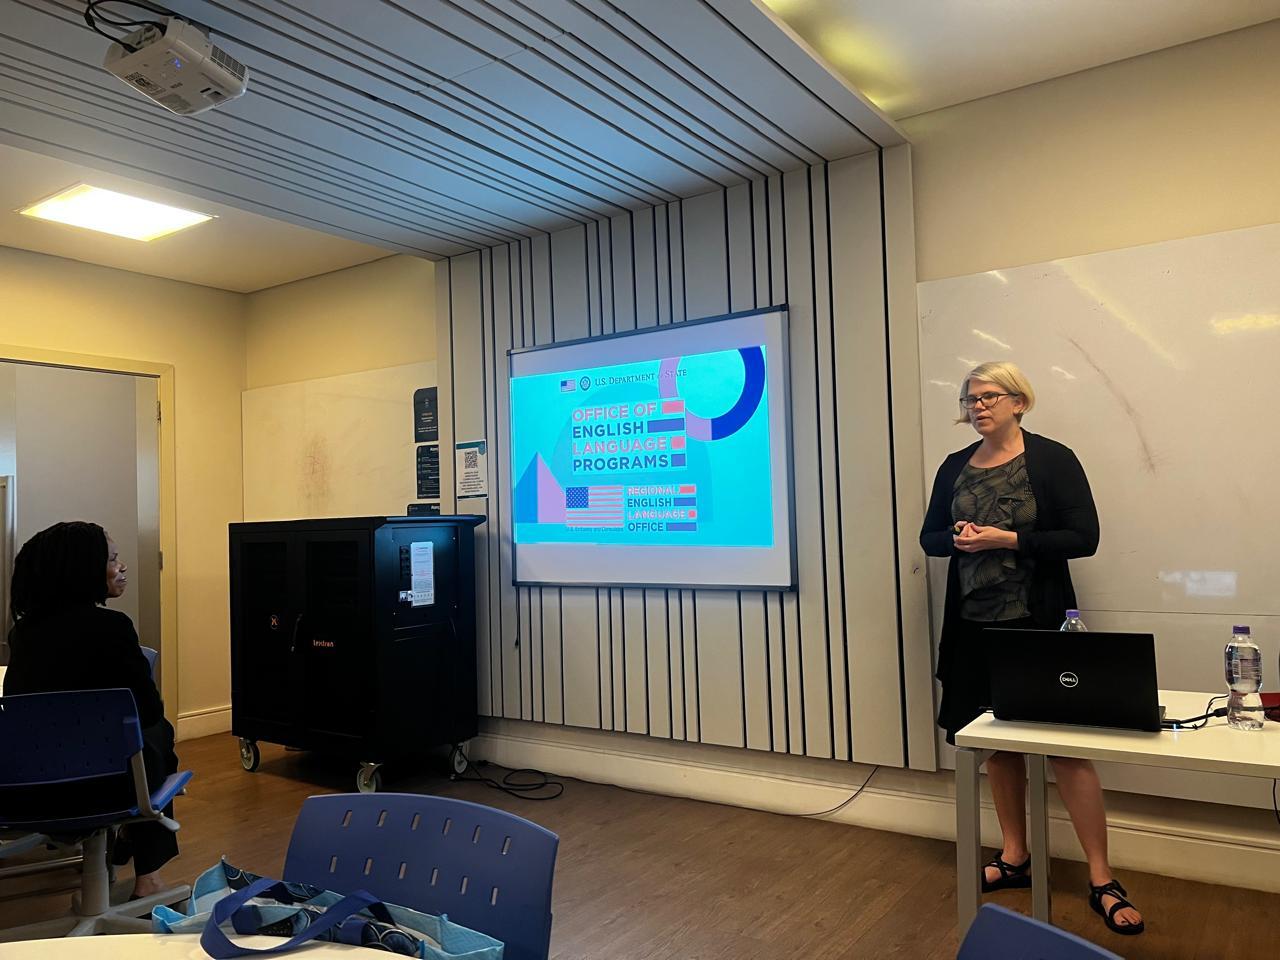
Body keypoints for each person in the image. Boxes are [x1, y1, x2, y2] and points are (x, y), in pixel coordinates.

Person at [919, 361, 1144, 937]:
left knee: (1067, 748)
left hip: (1038, 627)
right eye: (969, 399)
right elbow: (929, 538)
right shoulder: (953, 466)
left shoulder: (1052, 459)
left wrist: (1008, 538)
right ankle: (1015, 854)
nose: (977, 407)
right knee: (997, 747)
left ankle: (1101, 877)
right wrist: (959, 539)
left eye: (989, 396)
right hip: (974, 628)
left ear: (1020, 401)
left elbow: (1083, 537)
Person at [3, 521, 180, 899]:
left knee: (133, 737)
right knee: (155, 731)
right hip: (109, 789)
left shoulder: (23, 634)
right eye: (113, 559)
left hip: (28, 791)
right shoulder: (114, 628)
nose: (123, 567)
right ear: (83, 568)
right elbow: (148, 710)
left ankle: (121, 853)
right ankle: (148, 875)